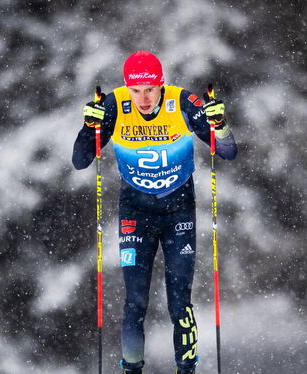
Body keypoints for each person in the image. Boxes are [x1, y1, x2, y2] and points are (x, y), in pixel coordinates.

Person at [72, 51, 237, 374]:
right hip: (136, 212)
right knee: (135, 304)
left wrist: (220, 125)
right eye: (136, 91)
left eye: (150, 89)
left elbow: (228, 151)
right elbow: (80, 160)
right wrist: (87, 128)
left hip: (178, 212)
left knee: (180, 304)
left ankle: (186, 369)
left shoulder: (184, 103)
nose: (143, 98)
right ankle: (131, 370)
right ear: (127, 88)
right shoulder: (113, 106)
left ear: (161, 85)